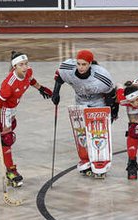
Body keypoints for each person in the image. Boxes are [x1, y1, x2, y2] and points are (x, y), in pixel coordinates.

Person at [50, 49, 119, 180]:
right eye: (79, 64)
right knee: (81, 133)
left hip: (98, 103)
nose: (80, 67)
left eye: (84, 64)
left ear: (90, 64)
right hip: (80, 101)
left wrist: (112, 111)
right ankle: (85, 158)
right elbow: (59, 76)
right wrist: (56, 92)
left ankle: (100, 160)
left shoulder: (102, 76)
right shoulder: (67, 68)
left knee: (97, 134)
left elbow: (111, 94)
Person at [0, 52, 54, 190]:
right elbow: (0, 103)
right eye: (21, 65)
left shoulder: (28, 71)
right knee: (7, 137)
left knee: (11, 126)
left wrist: (41, 89)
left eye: (26, 64)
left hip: (13, 105)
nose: (25, 67)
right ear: (14, 67)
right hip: (2, 107)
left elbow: (30, 79)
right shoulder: (9, 84)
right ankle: (11, 171)